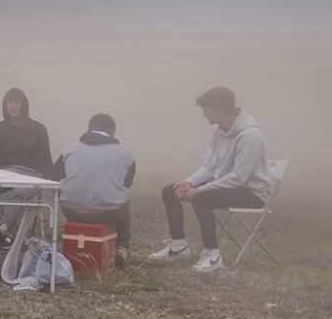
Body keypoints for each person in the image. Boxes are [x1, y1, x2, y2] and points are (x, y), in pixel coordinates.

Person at [150, 87, 272, 273]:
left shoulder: (250, 135)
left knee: (202, 198)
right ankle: (179, 246)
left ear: (219, 110)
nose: (204, 114)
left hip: (252, 193)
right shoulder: (218, 132)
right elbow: (209, 168)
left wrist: (200, 190)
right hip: (227, 186)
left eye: (206, 110)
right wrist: (189, 182)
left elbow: (238, 178)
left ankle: (213, 255)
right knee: (170, 190)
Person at [53, 113, 136, 269]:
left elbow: (55, 177)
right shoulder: (126, 154)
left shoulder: (69, 151)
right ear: (112, 133)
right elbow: (126, 183)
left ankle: (70, 241)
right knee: (125, 202)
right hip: (111, 212)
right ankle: (122, 246)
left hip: (72, 210)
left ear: (89, 129)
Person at [0, 87, 54, 252]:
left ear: (23, 104)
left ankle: (2, 229)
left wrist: (43, 176)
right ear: (5, 106)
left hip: (30, 174)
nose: (12, 106)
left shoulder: (38, 129)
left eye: (16, 102)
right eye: (9, 102)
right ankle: (2, 232)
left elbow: (46, 158)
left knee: (20, 190)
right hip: (3, 174)